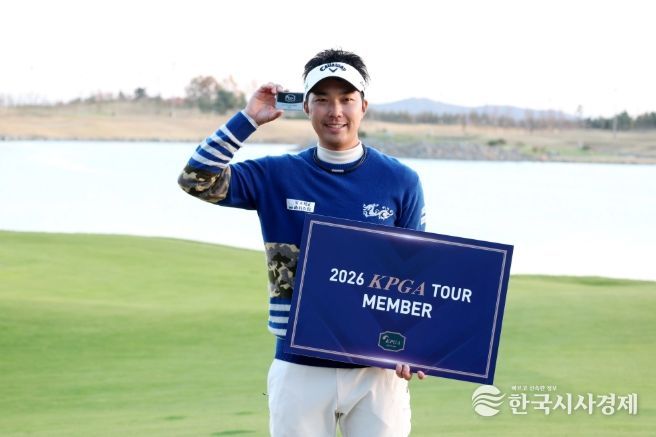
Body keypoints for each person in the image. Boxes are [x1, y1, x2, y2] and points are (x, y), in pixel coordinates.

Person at [178, 49, 427, 437]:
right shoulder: (276, 174)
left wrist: (415, 342)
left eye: (346, 99)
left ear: (363, 106)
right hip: (299, 367)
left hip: (376, 371)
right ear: (306, 106)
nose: (335, 111)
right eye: (323, 99)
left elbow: (416, 271)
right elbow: (196, 180)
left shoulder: (400, 181)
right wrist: (248, 119)